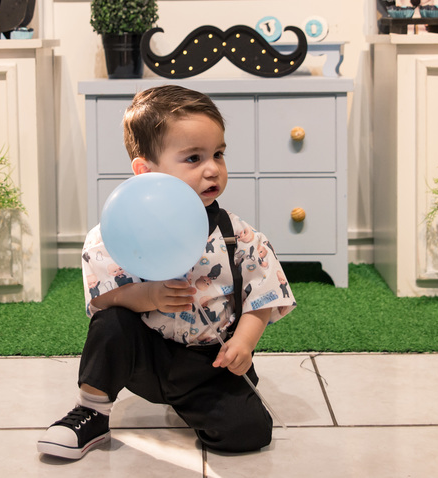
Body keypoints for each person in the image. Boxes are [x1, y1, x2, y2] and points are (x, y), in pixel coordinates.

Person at [38, 85, 294, 460]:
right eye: (193, 158)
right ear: (146, 170)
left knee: (250, 433)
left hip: (209, 362)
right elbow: (102, 298)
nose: (212, 168)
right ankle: (91, 411)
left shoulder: (237, 236)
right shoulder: (116, 232)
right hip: (145, 355)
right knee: (111, 324)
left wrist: (244, 343)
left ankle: (199, 405)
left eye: (218, 154)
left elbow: (264, 295)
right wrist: (147, 296)